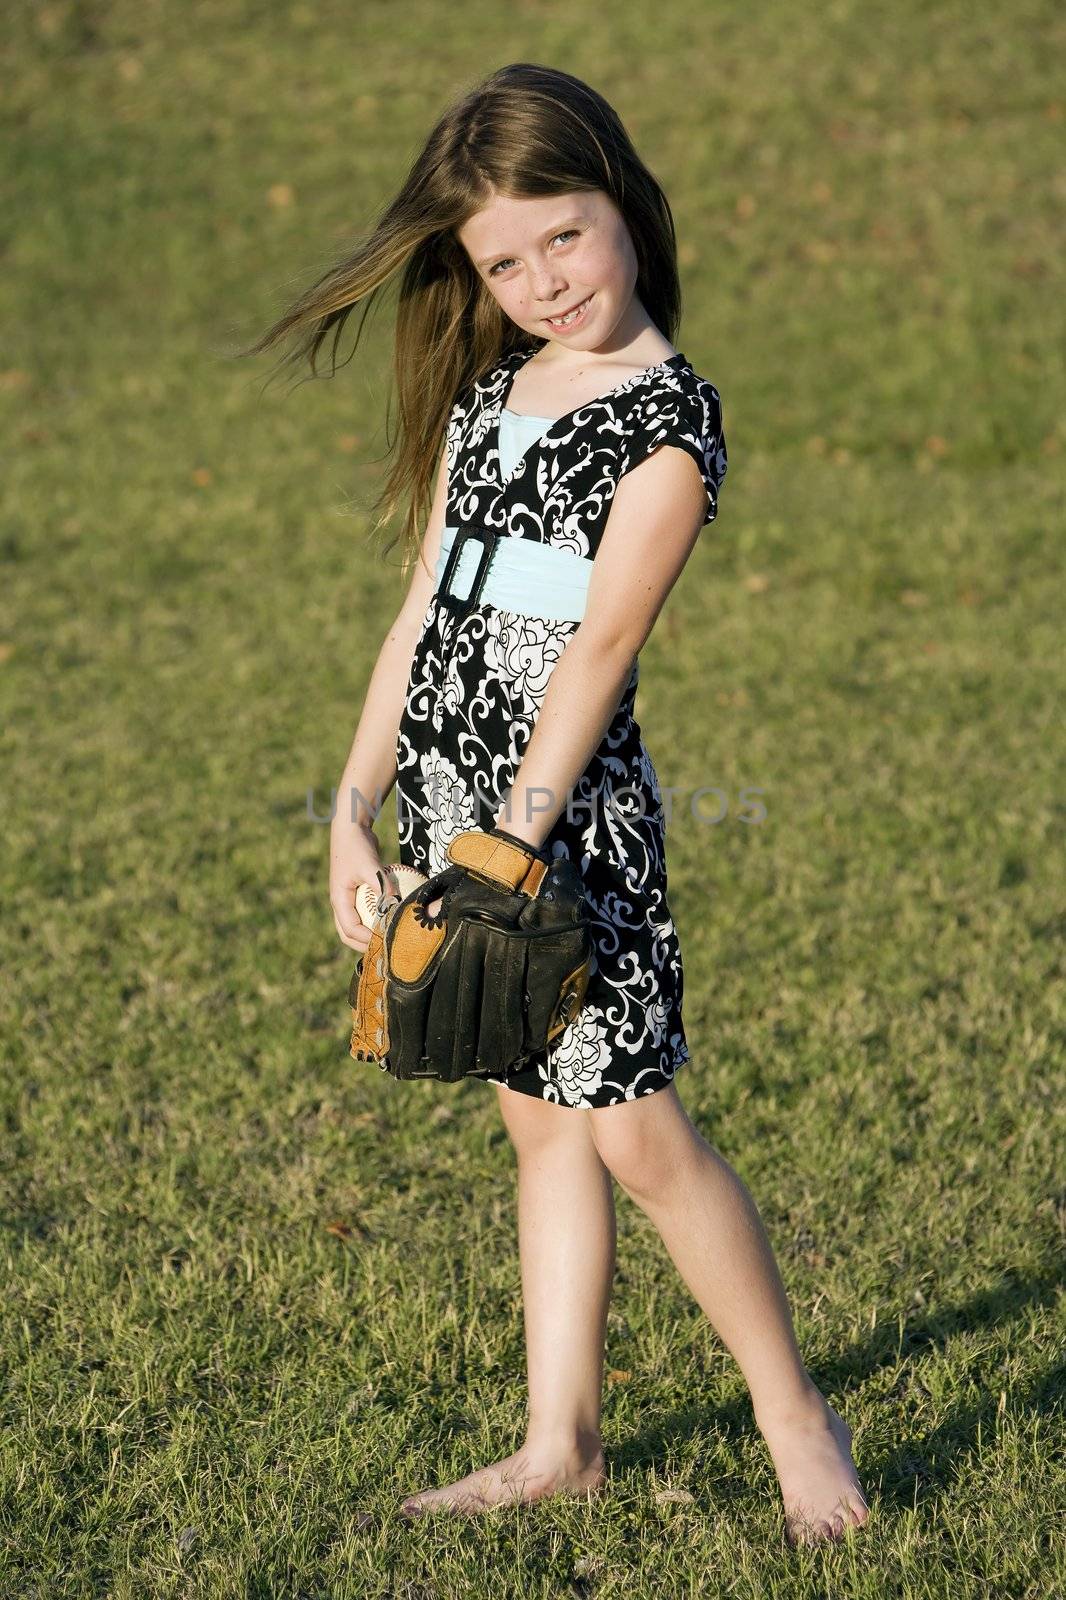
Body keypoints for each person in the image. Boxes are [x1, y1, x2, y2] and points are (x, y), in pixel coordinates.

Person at [247, 62, 869, 1546]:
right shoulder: (488, 398)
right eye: (504, 260)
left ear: (625, 208)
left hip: (563, 833)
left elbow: (597, 648)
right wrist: (352, 811)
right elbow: (419, 622)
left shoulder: (664, 414)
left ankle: (796, 1422)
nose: (542, 282)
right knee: (540, 1126)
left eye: (565, 237)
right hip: (453, 814)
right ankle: (559, 1446)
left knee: (638, 1130)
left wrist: (509, 846)